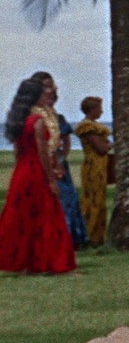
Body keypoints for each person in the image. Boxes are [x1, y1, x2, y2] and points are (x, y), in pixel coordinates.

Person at [0, 78, 77, 273]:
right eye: (43, 93)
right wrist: (51, 180)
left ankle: (25, 262)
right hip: (37, 171)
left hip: (22, 171)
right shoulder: (38, 121)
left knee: (24, 216)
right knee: (47, 215)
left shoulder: (20, 120)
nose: (47, 95)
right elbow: (43, 153)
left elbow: (18, 151)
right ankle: (51, 261)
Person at [29, 72, 88, 248]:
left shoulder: (58, 118)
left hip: (58, 162)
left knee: (68, 198)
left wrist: (61, 159)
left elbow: (66, 140)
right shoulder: (33, 117)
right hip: (42, 163)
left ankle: (72, 236)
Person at [74, 96, 112, 246]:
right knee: (93, 199)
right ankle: (90, 234)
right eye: (99, 108)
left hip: (100, 164)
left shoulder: (93, 125)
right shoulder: (88, 127)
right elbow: (101, 148)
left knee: (99, 198)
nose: (101, 111)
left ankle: (97, 234)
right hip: (94, 164)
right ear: (92, 109)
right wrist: (110, 145)